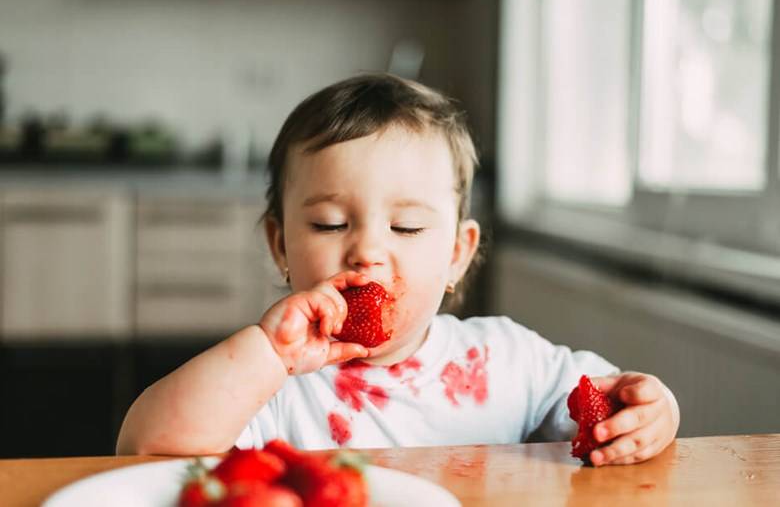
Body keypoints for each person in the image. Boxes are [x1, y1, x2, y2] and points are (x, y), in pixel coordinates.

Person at [117, 73, 679, 467]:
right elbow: (144, 450)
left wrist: (652, 414)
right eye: (331, 224)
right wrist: (267, 354)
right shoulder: (270, 385)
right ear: (280, 245)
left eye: (406, 227)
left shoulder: (508, 362)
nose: (367, 252)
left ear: (458, 253)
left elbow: (610, 409)